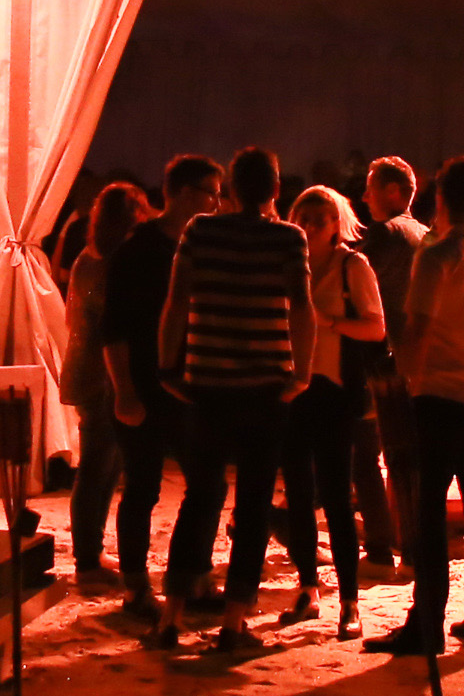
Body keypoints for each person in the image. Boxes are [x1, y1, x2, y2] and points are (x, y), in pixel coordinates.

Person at [153, 146, 313, 654]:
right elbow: (302, 307)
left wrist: (168, 365)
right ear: (275, 190)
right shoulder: (288, 238)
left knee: (199, 497)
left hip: (208, 384)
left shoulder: (200, 231)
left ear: (231, 190)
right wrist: (302, 372)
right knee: (254, 504)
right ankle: (234, 622)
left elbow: (177, 301)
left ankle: (170, 618)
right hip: (265, 386)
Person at [369, 155, 464, 656]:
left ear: (440, 199)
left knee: (429, 511)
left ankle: (427, 621)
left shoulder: (437, 256)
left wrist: (402, 374)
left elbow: (419, 328)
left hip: (440, 395)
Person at [98, 155, 220, 619]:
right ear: (185, 194)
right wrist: (125, 391)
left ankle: (190, 577)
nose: (216, 203)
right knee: (142, 487)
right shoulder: (139, 248)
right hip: (146, 384)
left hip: (192, 385)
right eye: (211, 193)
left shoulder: (201, 244)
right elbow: (113, 329)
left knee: (206, 484)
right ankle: (136, 588)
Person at [279, 183, 384, 641]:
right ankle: (308, 587)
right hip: (291, 387)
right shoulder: (288, 264)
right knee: (298, 494)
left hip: (335, 389)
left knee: (338, 497)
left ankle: (349, 600)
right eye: (302, 217)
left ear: (336, 225)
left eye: (319, 219)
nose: (309, 226)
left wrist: (330, 322)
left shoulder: (351, 266)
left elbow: (377, 328)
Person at [62, 180, 148, 585]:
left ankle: (91, 551)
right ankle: (86, 559)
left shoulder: (87, 256)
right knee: (98, 467)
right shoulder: (113, 263)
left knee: (106, 465)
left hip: (88, 368)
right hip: (102, 374)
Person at [352, 156, 426, 564]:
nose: (364, 197)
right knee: (403, 458)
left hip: (380, 357)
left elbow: (353, 282)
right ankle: (410, 544)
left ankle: (383, 543)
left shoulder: (385, 234)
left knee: (365, 453)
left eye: (370, 188)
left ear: (394, 192)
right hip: (414, 357)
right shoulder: (424, 234)